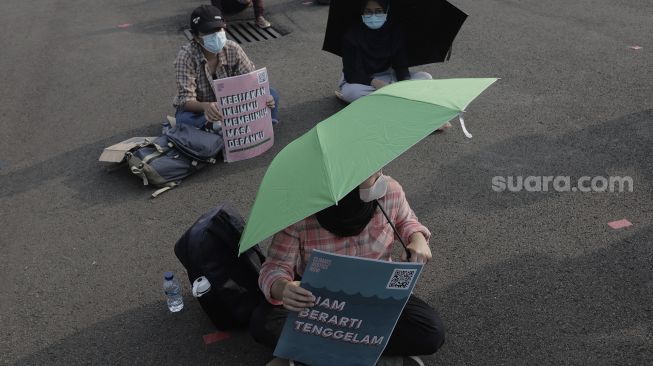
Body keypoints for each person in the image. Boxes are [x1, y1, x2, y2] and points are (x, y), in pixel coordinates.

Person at [250, 171, 445, 366]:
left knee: (430, 332)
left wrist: (417, 238)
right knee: (264, 322)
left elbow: (407, 221)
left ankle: (309, 356)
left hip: (376, 297)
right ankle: (381, 360)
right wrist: (284, 288)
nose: (379, 173)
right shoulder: (300, 209)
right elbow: (274, 268)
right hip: (319, 305)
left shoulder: (389, 191)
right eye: (370, 170)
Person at [172, 5, 279, 131]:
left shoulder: (233, 48)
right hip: (204, 107)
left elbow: (252, 80)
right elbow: (186, 100)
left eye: (218, 29)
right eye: (208, 32)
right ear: (195, 37)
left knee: (272, 95)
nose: (216, 35)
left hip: (234, 103)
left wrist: (264, 96)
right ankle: (235, 123)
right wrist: (206, 107)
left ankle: (220, 127)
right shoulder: (186, 57)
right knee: (183, 119)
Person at [336, 0, 432, 103]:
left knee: (426, 77)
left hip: (388, 76)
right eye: (368, 11)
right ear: (362, 12)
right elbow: (350, 74)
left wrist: (405, 83)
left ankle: (384, 99)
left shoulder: (395, 32)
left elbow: (401, 66)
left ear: (387, 11)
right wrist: (374, 82)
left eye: (378, 11)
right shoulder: (351, 36)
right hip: (360, 80)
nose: (373, 16)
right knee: (352, 93)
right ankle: (397, 99)